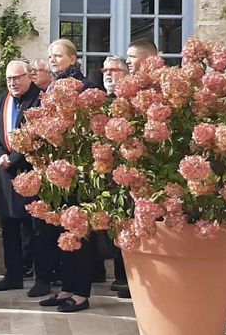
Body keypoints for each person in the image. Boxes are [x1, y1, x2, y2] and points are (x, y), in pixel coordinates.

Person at [37, 38, 101, 312]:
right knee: (61, 232)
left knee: (80, 232)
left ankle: (81, 293)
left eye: (58, 55)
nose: (53, 60)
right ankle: (66, 288)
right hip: (57, 169)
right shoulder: (51, 88)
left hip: (81, 172)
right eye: (50, 56)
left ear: (73, 59)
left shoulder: (86, 87)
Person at [0, 61, 43, 294]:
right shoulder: (3, 99)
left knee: (36, 229)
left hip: (31, 170)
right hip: (6, 171)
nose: (13, 82)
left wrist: (15, 157)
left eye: (17, 77)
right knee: (9, 226)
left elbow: (38, 133)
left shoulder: (40, 99)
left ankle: (42, 279)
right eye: (9, 79)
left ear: (29, 76)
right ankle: (13, 275)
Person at [101, 54, 131, 298]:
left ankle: (126, 276)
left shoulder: (133, 100)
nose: (108, 74)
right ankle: (119, 275)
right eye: (105, 71)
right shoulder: (100, 102)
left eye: (114, 70)